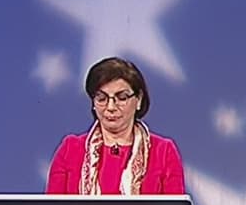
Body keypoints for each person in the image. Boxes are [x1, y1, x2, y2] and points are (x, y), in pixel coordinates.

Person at [46, 57, 185, 195]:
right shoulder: (70, 150)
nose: (111, 107)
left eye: (122, 98)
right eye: (102, 98)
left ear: (138, 99)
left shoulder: (164, 152)